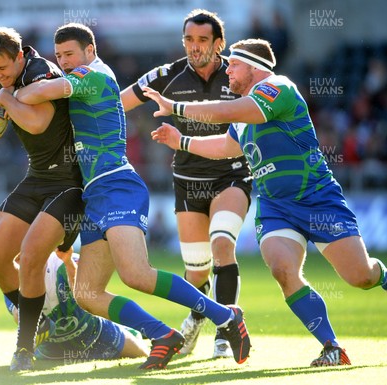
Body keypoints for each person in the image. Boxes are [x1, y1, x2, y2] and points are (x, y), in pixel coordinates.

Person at [11, 23, 251, 370]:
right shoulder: (80, 80)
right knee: (87, 293)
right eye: (58, 55)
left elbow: (35, 94)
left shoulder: (93, 75)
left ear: (90, 51)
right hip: (96, 194)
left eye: (69, 54)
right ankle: (163, 335)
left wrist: (6, 94)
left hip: (117, 185)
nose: (62, 61)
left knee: (136, 274)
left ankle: (225, 316)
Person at [146, 38, 387, 366]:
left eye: (233, 64)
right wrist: (182, 140)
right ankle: (332, 347)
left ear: (254, 67)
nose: (227, 69)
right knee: (282, 268)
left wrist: (175, 107)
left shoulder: (277, 88)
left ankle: (383, 276)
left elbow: (227, 110)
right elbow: (227, 146)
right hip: (276, 206)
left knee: (361, 276)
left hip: (317, 199)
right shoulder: (245, 111)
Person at [120, 9, 252, 358]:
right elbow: (121, 102)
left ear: (219, 43)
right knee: (196, 273)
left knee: (222, 244)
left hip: (231, 175)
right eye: (189, 40)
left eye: (202, 40)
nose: (194, 47)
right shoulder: (167, 75)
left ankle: (224, 333)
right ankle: (194, 320)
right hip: (188, 181)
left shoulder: (237, 74)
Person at [0, 27, 84, 371]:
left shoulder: (41, 72)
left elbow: (38, 123)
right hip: (38, 176)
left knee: (30, 258)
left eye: (3, 68)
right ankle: (43, 324)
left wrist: (4, 98)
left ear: (19, 56)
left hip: (70, 181)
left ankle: (24, 347)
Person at [4, 249, 148, 362]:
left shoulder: (64, 261)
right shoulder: (10, 280)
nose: (24, 261)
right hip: (50, 351)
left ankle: (138, 331)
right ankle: (132, 330)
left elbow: (87, 294)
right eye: (17, 258)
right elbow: (19, 317)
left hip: (96, 334)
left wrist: (68, 264)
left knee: (143, 354)